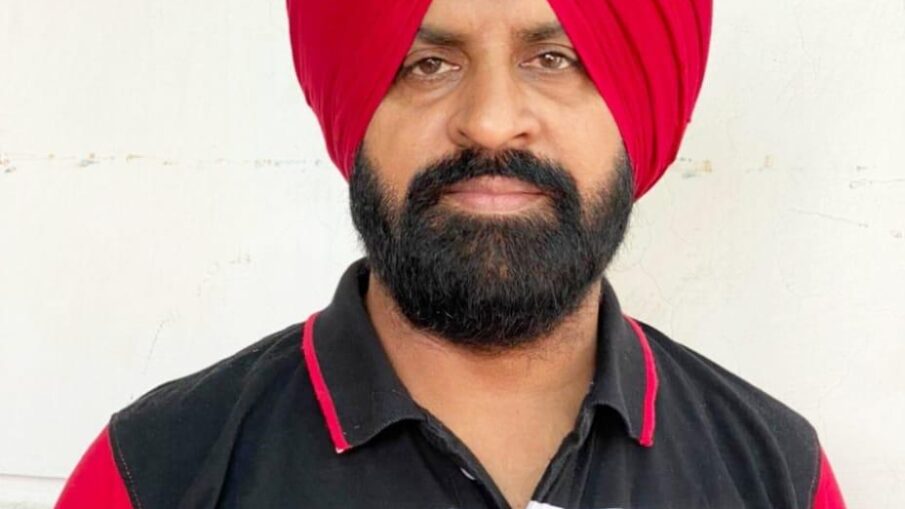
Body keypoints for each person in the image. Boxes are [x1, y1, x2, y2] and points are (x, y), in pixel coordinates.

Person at [56, 0, 847, 508]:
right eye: (429, 64)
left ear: (636, 112)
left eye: (553, 59)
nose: (492, 122)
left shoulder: (773, 472)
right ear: (356, 111)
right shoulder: (157, 472)